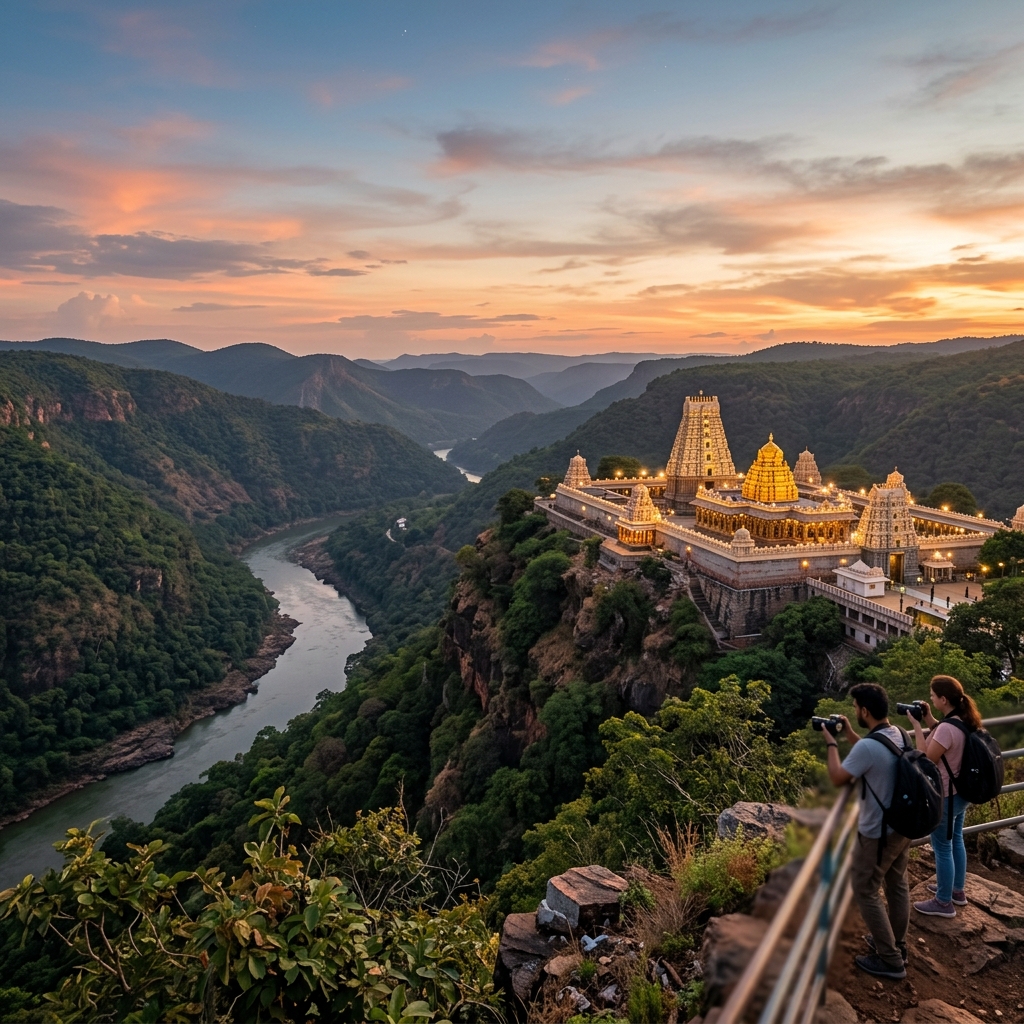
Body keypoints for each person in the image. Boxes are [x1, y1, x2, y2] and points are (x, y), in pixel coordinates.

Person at [823, 682, 909, 980]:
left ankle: (890, 961)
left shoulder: (867, 747)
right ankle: (897, 944)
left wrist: (832, 743)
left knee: (864, 888)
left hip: (878, 833)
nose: (854, 711)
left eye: (856, 708)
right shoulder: (897, 733)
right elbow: (875, 753)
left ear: (865, 711)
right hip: (902, 825)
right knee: (896, 883)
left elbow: (837, 778)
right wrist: (849, 734)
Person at [905, 674, 982, 918]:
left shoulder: (948, 728)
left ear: (943, 699)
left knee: (942, 847)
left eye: (932, 696)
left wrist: (916, 725)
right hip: (962, 793)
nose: (930, 698)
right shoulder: (963, 719)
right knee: (956, 839)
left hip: (946, 796)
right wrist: (928, 718)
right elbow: (945, 735)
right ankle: (957, 891)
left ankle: (943, 902)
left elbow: (926, 758)